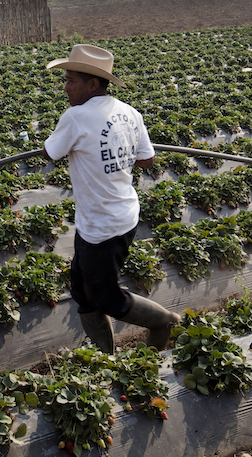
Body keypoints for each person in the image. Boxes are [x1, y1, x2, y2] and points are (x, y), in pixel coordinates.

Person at [42, 44, 179, 353]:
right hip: (113, 215)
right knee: (81, 289)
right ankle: (106, 355)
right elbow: (146, 160)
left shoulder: (75, 117)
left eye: (72, 80)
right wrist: (119, 149)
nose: (66, 88)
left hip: (103, 224)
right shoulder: (129, 113)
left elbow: (51, 153)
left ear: (93, 83)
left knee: (105, 297)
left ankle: (163, 322)